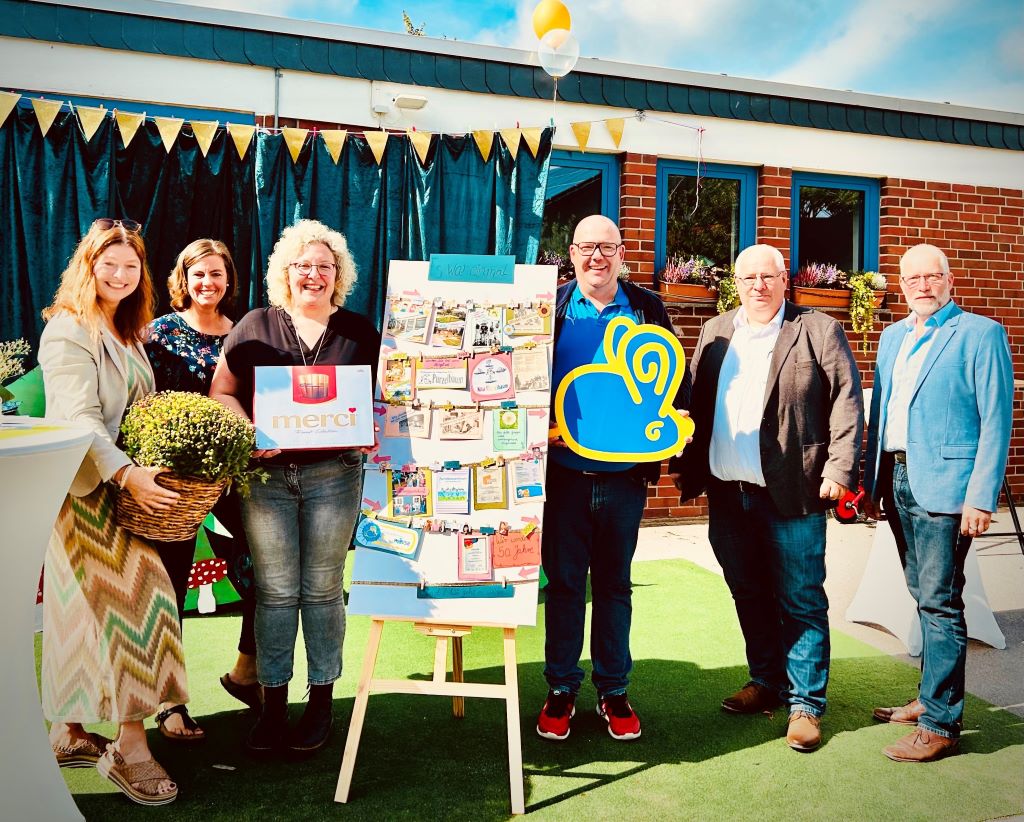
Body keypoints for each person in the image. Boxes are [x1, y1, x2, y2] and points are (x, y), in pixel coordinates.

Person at [670, 244, 863, 752]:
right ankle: (767, 681)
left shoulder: (817, 329)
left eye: (768, 276)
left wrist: (840, 468)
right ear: (736, 283)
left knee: (799, 597)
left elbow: (847, 399)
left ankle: (805, 704)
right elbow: (690, 400)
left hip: (792, 492)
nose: (759, 285)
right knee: (748, 592)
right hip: (728, 493)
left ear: (785, 280)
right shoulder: (715, 332)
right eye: (749, 277)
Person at [211, 219, 379, 756]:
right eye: (303, 266)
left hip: (335, 477)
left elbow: (382, 399)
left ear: (338, 275)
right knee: (277, 591)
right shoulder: (256, 325)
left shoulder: (359, 330)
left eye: (324, 267)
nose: (313, 274)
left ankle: (322, 702)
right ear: (286, 272)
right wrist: (246, 431)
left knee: (324, 591)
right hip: (266, 480)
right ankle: (272, 705)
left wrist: (371, 429)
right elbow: (223, 390)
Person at [38, 218, 187, 805]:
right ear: (88, 265)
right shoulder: (68, 329)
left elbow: (138, 412)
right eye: (110, 265)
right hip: (85, 490)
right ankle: (131, 744)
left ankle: (67, 729)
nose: (120, 275)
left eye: (131, 266)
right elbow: (77, 418)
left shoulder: (126, 331)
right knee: (139, 603)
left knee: (79, 613)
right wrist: (126, 472)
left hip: (122, 487)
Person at [536, 215, 689, 742]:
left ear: (622, 253)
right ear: (571, 252)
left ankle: (612, 690)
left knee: (615, 587)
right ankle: (560, 690)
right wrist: (539, 429)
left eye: (606, 247)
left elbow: (674, 382)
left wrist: (678, 425)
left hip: (624, 480)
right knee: (563, 587)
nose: (595, 257)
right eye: (585, 247)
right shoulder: (550, 307)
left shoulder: (647, 307)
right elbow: (523, 378)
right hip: (564, 478)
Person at [862, 243, 1012, 762]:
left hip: (948, 490)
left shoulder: (980, 334)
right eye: (913, 279)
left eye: (934, 277)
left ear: (950, 281)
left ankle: (942, 722)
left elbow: (997, 420)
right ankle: (928, 699)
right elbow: (880, 413)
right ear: (901, 286)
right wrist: (872, 482)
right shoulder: (891, 337)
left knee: (942, 602)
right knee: (923, 595)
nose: (923, 286)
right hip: (898, 479)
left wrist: (980, 497)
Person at [144, 239, 261, 743]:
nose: (208, 284)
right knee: (168, 586)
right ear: (183, 280)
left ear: (229, 279)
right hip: (174, 483)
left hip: (234, 478)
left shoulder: (245, 333)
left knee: (266, 571)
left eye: (217, 274)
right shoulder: (160, 333)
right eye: (198, 276)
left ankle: (245, 672)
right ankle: (169, 704)